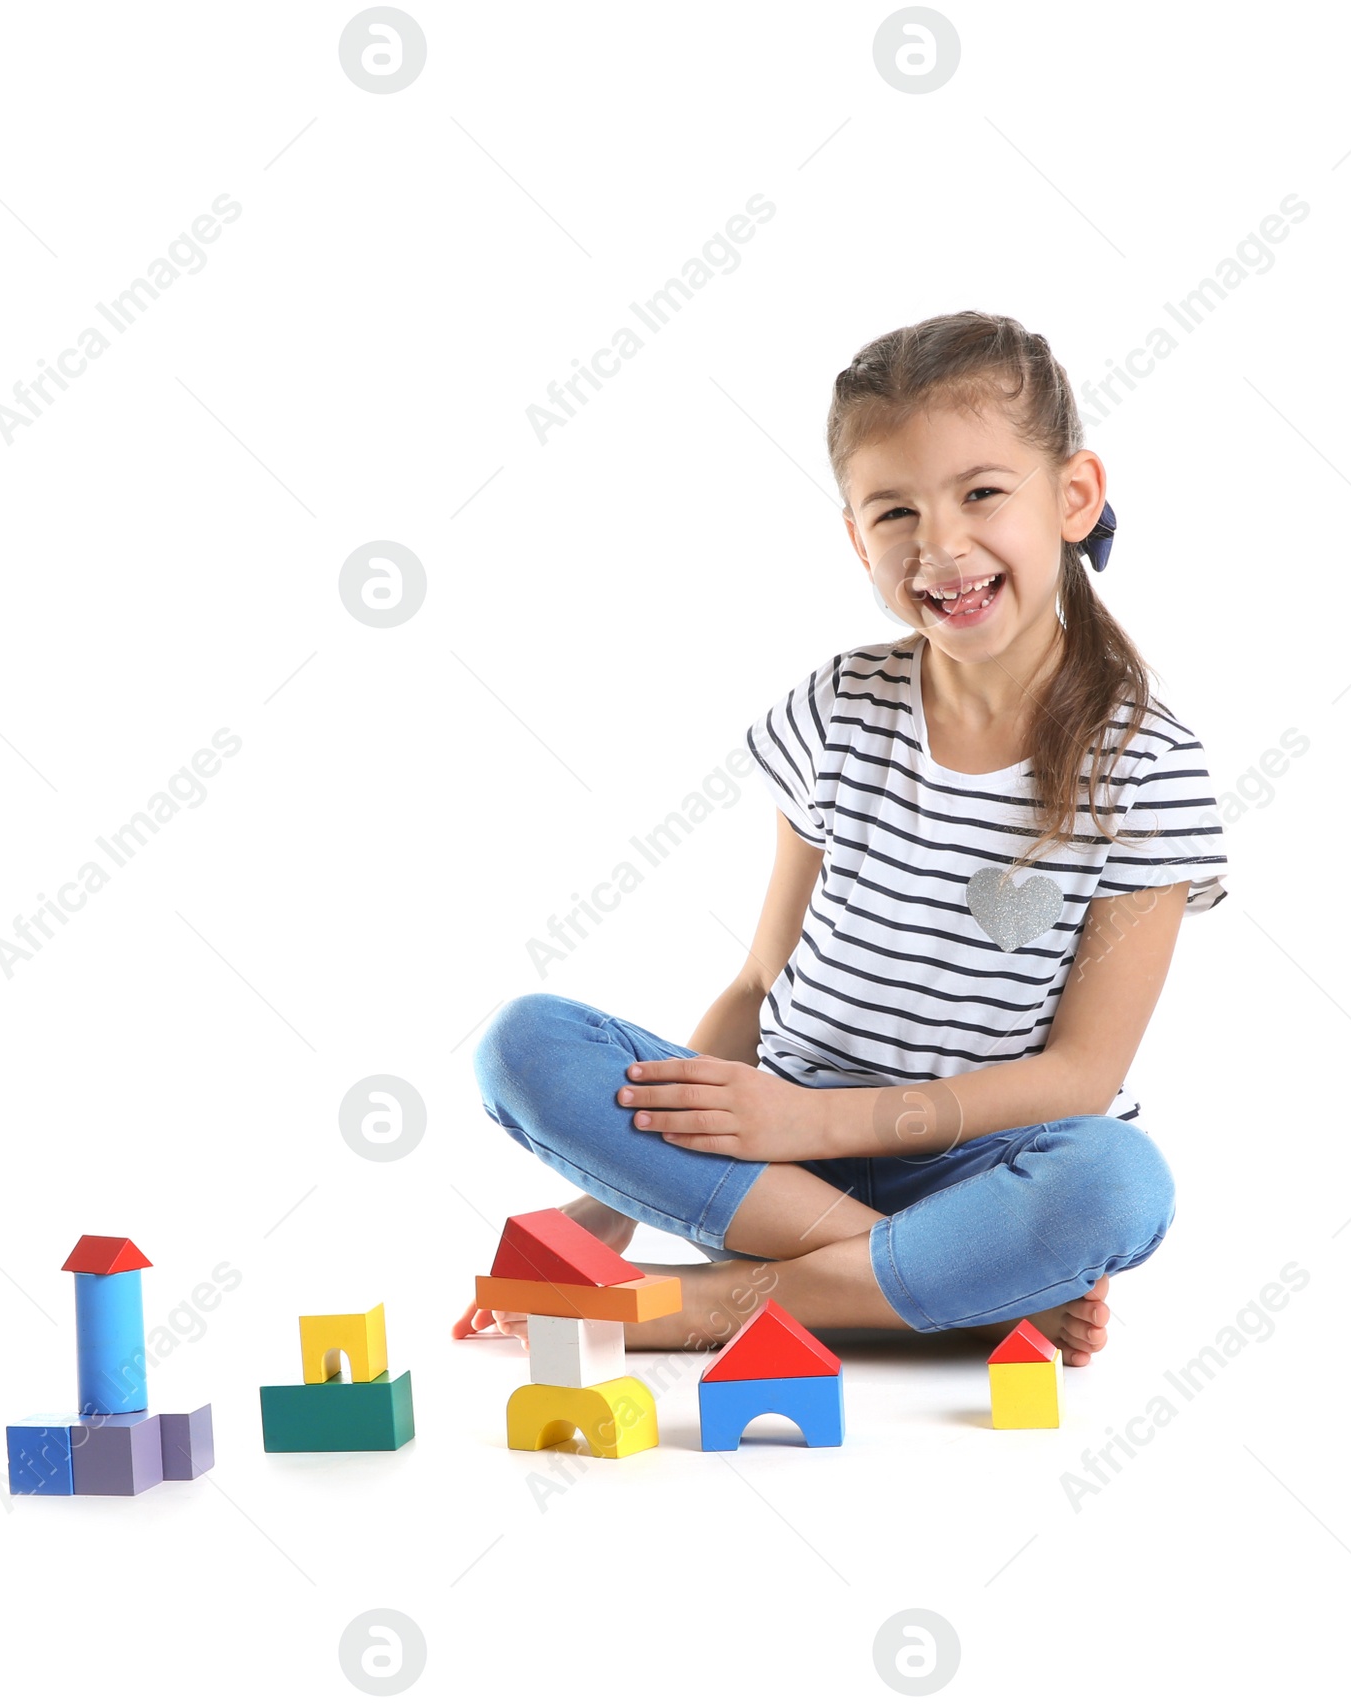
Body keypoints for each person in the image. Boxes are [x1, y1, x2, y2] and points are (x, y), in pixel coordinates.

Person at [452, 310, 1229, 1369]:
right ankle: (945, 1289)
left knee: (1117, 1182)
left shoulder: (1144, 768)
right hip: (770, 1169)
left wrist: (812, 1126)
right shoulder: (838, 705)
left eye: (983, 492)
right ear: (857, 539)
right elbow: (763, 978)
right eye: (895, 510)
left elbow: (1081, 1075)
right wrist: (608, 1210)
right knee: (524, 1041)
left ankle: (695, 1307)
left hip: (969, 1172)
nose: (941, 544)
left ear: (1073, 496)